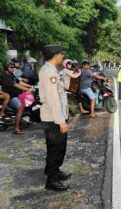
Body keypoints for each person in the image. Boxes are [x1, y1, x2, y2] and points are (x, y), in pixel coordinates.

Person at [39, 44, 71, 191]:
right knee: (55, 148)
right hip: (53, 118)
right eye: (61, 54)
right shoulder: (49, 73)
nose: (62, 56)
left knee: (58, 147)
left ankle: (54, 171)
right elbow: (53, 99)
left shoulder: (51, 70)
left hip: (55, 116)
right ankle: (51, 181)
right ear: (55, 55)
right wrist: (61, 121)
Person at [0, 62, 34, 134]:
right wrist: (27, 89)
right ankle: (16, 129)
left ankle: (21, 120)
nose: (13, 69)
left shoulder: (11, 74)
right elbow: (15, 85)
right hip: (11, 96)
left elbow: (19, 82)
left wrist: (30, 86)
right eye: (11, 67)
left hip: (15, 94)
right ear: (6, 68)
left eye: (13, 67)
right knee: (20, 108)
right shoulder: (4, 75)